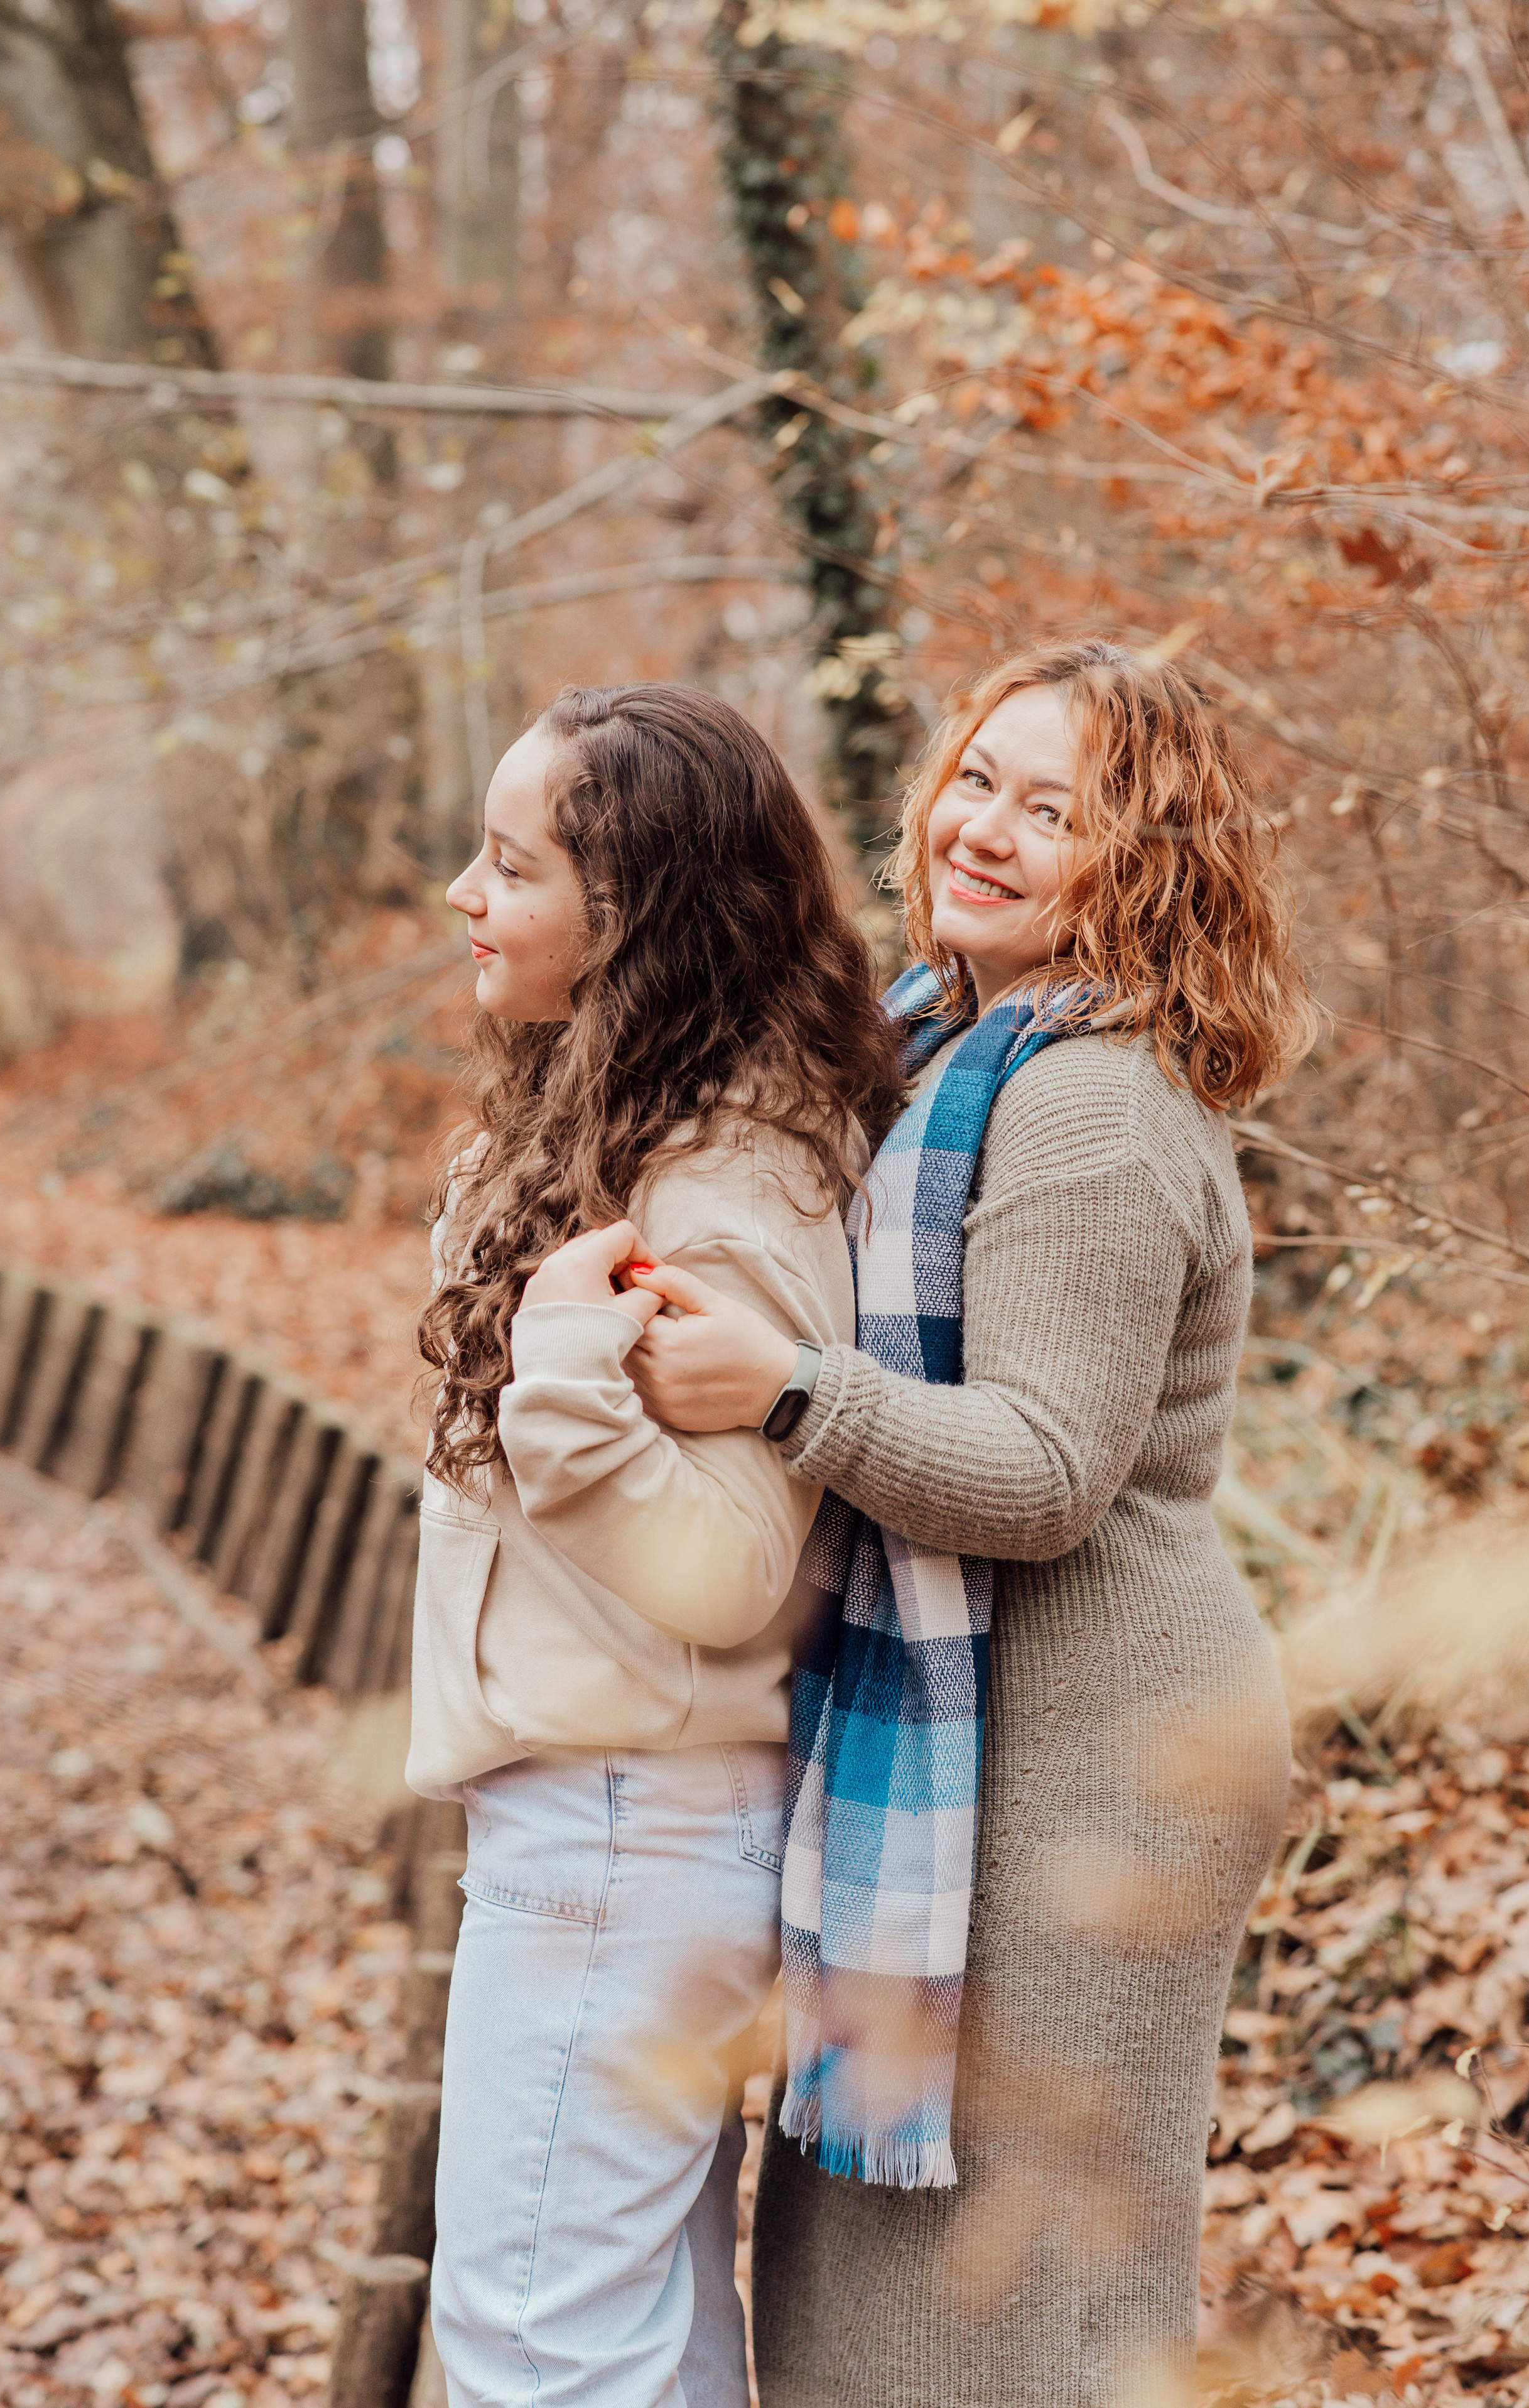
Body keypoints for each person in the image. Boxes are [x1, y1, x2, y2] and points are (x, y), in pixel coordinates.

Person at [590, 639, 1316, 2405]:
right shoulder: (938, 1053)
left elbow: (1047, 1471)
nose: (984, 828)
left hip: (1101, 1755)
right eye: (978, 778)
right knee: (877, 2286)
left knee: (1009, 2309)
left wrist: (785, 1388)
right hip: (989, 1732)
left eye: (1053, 811)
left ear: (1142, 862)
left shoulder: (1087, 1105)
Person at [405, 683, 905, 2408]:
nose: (466, 897)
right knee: (642, 2353)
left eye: (507, 863)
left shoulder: (719, 1176)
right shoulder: (630, 1121)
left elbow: (731, 1566)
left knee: (539, 2355)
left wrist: (559, 1382)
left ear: (634, 918)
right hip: (614, 1822)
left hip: (623, 1825)